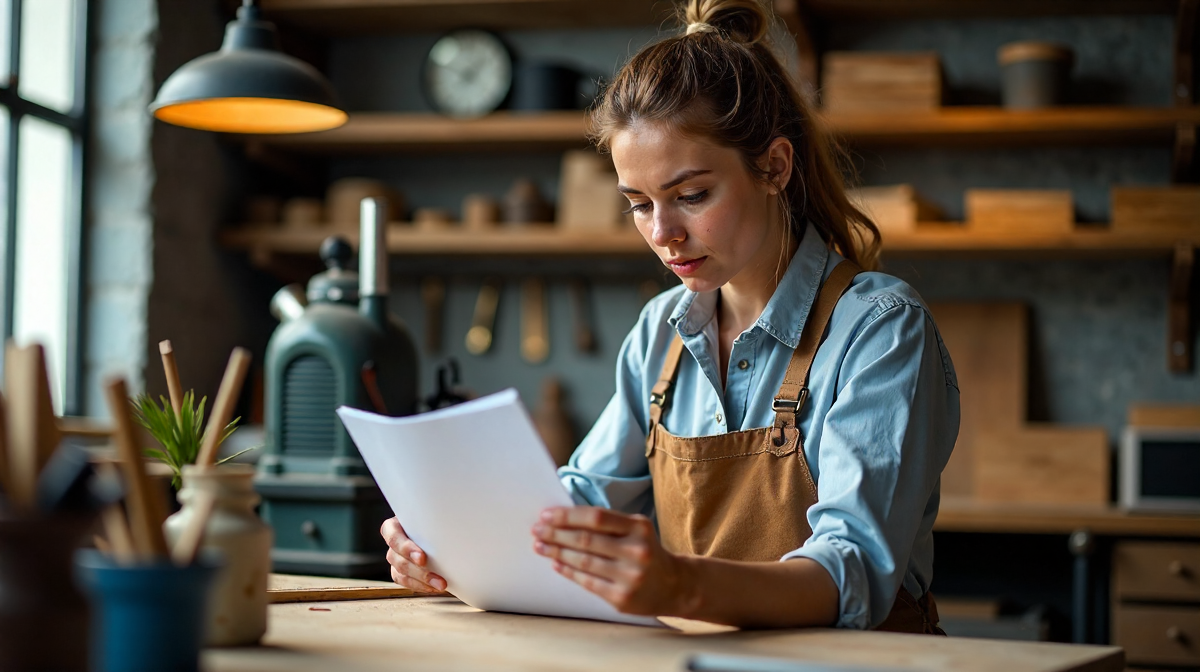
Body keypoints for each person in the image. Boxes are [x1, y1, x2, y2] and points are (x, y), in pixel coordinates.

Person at [381, 0, 959, 632]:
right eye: (638, 203)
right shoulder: (661, 330)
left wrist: (677, 583)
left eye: (691, 196)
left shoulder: (878, 327)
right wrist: (448, 542)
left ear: (773, 167)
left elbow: (852, 574)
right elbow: (575, 506)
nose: (664, 234)